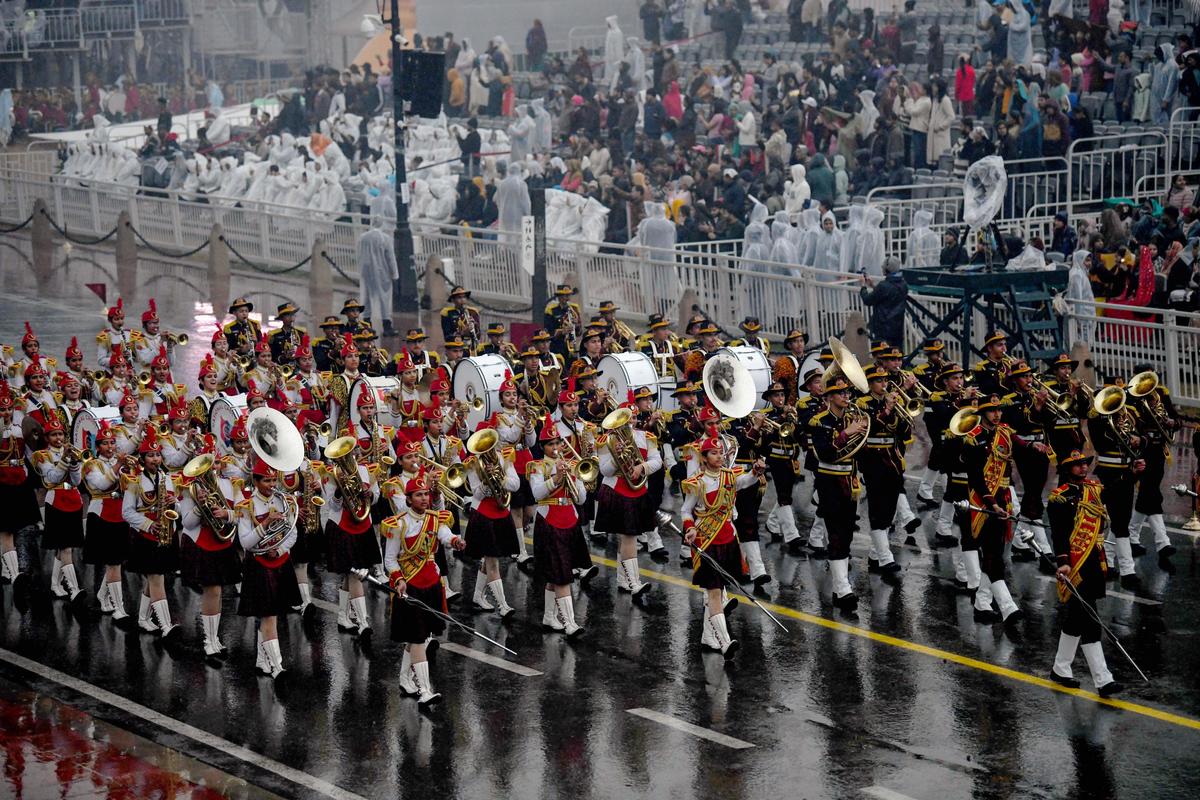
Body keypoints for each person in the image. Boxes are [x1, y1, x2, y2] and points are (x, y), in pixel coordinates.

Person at [1047, 450, 1124, 697]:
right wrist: (1063, 561)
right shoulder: (1059, 498)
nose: (1082, 467)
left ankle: (1060, 668)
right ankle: (1103, 680)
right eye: (1077, 465)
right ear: (1067, 469)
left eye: (1084, 463)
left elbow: (1114, 492)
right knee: (1089, 617)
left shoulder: (1094, 490)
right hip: (1075, 563)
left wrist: (1131, 474)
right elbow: (1059, 534)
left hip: (1094, 561)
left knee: (1077, 617)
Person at [681, 435, 764, 660]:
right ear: (705, 458)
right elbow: (686, 511)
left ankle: (709, 637)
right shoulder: (697, 482)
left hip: (727, 538)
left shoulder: (730, 476)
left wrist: (756, 471)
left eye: (720, 453)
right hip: (706, 539)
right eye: (714, 453)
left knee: (717, 589)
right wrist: (689, 528)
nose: (719, 456)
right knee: (714, 591)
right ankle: (725, 642)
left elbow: (746, 481)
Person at [385, 477, 465, 706]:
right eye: (418, 495)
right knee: (418, 638)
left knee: (418, 637)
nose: (423, 498)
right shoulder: (398, 524)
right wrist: (398, 579)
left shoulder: (435, 519)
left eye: (425, 494)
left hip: (431, 584)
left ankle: (404, 679)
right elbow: (390, 560)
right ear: (408, 499)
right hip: (409, 587)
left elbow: (446, 537)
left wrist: (456, 541)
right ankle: (425, 690)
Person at [961, 394, 1024, 626]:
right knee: (992, 553)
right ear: (983, 413)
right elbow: (976, 476)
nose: (997, 414)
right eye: (992, 410)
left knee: (994, 552)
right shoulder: (972, 439)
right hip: (983, 500)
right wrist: (991, 503)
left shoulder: (1005, 433)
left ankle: (982, 602)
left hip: (1003, 497)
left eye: (999, 410)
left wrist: (1034, 446)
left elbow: (1020, 446)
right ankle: (1008, 607)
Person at [594, 395, 663, 600]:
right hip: (616, 489)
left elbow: (657, 461)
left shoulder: (646, 437)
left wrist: (642, 467)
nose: (630, 422)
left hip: (637, 489)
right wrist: (616, 458)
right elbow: (605, 471)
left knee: (627, 537)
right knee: (628, 537)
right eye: (626, 419)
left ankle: (623, 580)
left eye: (633, 418)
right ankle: (634, 582)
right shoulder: (607, 440)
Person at [528, 415, 587, 635]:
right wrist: (556, 478)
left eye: (557, 443)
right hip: (549, 519)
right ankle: (569, 622)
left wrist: (576, 480)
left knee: (558, 572)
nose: (555, 447)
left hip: (569, 518)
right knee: (561, 574)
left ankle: (549, 617)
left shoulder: (573, 464)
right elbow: (536, 494)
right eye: (550, 444)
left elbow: (581, 500)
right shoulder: (537, 466)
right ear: (543, 446)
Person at [122, 427, 181, 640]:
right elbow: (126, 512)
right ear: (142, 459)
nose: (155, 459)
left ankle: (143, 618)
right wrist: (148, 524)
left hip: (165, 532)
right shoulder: (134, 482)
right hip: (145, 536)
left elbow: (178, 508)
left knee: (154, 579)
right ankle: (166, 625)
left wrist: (175, 504)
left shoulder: (167, 478)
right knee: (156, 579)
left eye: (157, 454)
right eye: (151, 455)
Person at [860, 258, 908, 349]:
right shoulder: (903, 284)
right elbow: (889, 296)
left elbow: (867, 300)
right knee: (897, 356)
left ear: (887, 269)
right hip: (898, 327)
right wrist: (873, 286)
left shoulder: (883, 286)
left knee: (883, 356)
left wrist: (863, 287)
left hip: (883, 328)